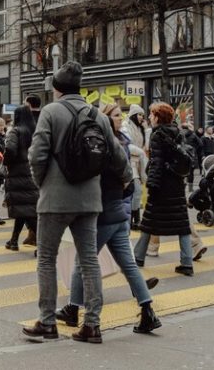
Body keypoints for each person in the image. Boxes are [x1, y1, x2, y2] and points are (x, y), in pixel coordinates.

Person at [24, 62, 125, 344]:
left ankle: (47, 322)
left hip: (55, 200)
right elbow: (118, 157)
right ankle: (92, 325)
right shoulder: (97, 115)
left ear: (56, 88)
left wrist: (42, 183)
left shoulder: (50, 112)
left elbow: (37, 154)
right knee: (89, 260)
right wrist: (122, 180)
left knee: (46, 259)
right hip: (90, 199)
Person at [55, 103, 161, 334]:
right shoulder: (121, 142)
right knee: (128, 264)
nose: (120, 119)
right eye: (116, 115)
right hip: (118, 213)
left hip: (103, 214)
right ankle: (148, 312)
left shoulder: (99, 146)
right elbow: (128, 182)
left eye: (120, 115)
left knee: (82, 261)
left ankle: (73, 309)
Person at [133, 102, 195, 276]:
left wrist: (151, 185)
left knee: (149, 222)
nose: (149, 117)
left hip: (161, 185)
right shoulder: (178, 132)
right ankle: (187, 263)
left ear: (158, 117)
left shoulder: (157, 134)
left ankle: (138, 257)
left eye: (152, 114)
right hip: (176, 184)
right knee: (182, 225)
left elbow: (157, 162)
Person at [3, 105, 38, 251]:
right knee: (24, 208)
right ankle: (13, 240)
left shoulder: (15, 131)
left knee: (26, 211)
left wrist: (5, 161)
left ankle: (42, 243)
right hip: (33, 174)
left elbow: (10, 150)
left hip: (18, 174)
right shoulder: (36, 131)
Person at [122, 104, 148, 230]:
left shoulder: (140, 128)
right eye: (139, 114)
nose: (141, 117)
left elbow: (146, 146)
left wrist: (147, 130)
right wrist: (141, 152)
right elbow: (127, 145)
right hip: (130, 163)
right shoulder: (126, 126)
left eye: (143, 115)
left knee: (136, 193)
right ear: (133, 115)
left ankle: (135, 219)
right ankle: (134, 219)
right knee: (136, 191)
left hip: (139, 164)